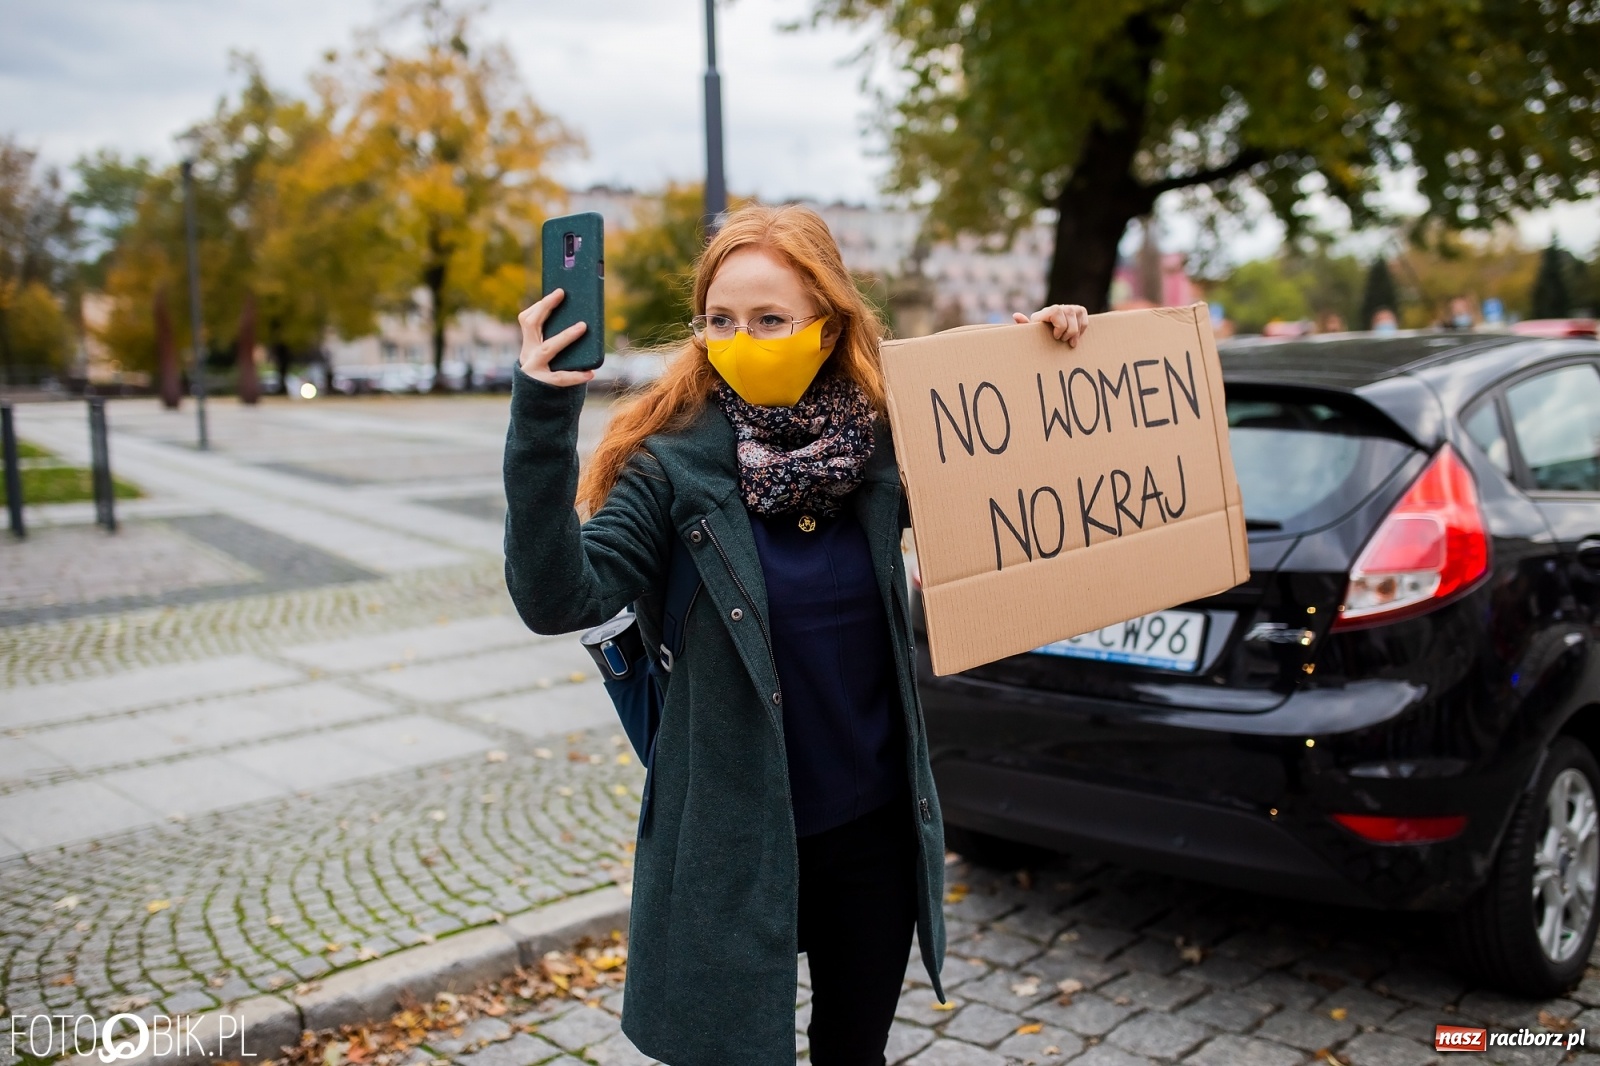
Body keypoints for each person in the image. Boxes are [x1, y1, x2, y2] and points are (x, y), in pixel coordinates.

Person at [502, 202, 1087, 1065]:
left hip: (875, 834)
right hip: (735, 842)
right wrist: (543, 413)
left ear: (826, 324)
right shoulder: (669, 464)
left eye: (771, 319)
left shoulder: (889, 442)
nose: (742, 339)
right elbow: (558, 598)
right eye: (721, 321)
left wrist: (1037, 360)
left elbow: (1026, 492)